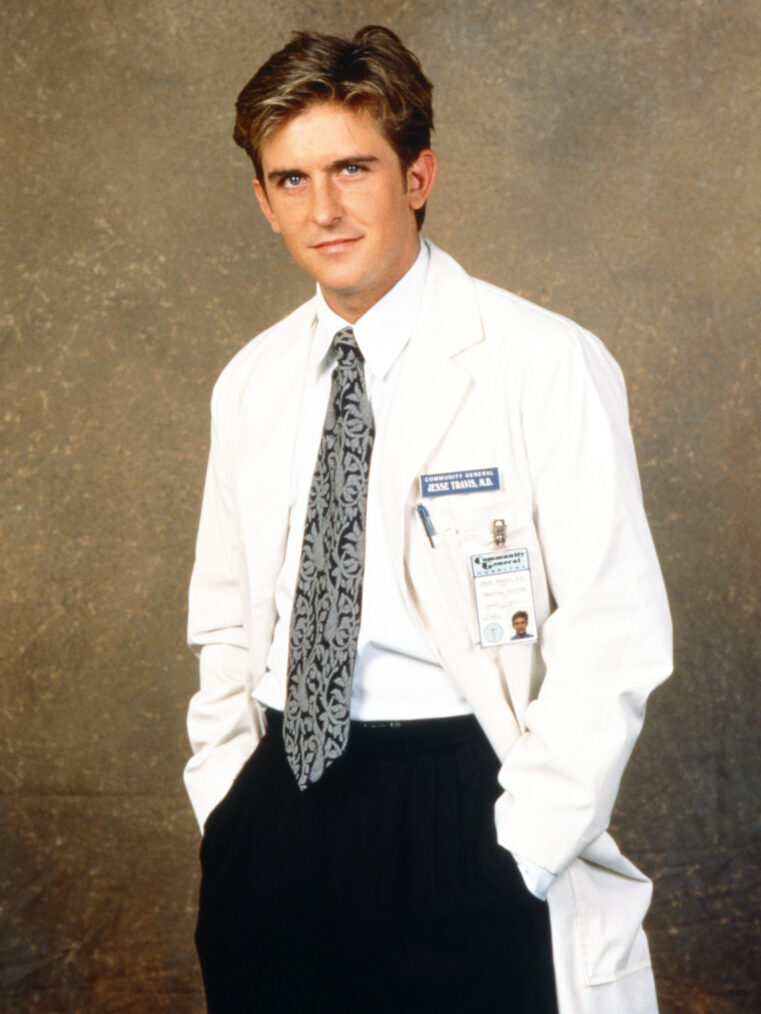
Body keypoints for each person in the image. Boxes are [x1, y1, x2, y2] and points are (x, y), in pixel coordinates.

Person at [184, 25, 672, 1014]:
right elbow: (229, 617)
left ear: (416, 176)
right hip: (279, 810)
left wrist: (517, 853)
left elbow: (613, 632)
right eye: (290, 180)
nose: (322, 209)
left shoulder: (542, 362)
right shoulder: (251, 383)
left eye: (351, 168)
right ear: (263, 201)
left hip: (461, 807)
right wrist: (229, 805)